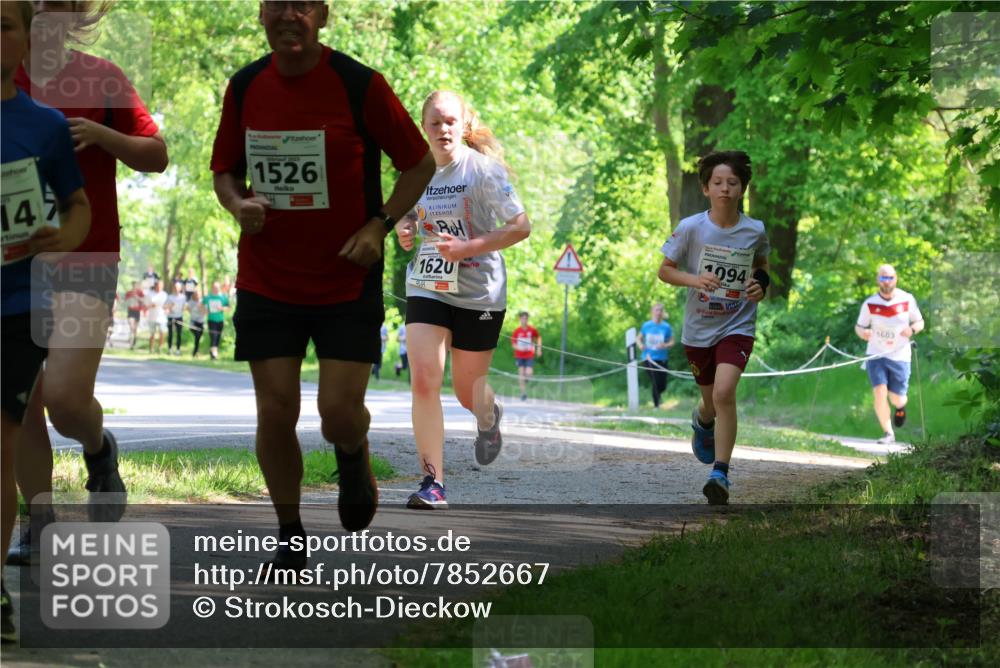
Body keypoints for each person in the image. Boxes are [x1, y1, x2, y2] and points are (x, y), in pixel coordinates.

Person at [210, 0, 433, 568]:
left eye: (303, 5)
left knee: (337, 410)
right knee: (276, 409)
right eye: (278, 4)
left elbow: (418, 163)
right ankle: (289, 533)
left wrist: (379, 225)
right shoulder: (245, 86)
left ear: (323, 15)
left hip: (345, 275)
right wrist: (239, 204)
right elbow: (225, 171)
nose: (290, 14)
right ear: (261, 14)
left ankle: (352, 451)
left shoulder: (360, 84)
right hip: (267, 275)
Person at [8, 0, 168, 566]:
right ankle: (39, 518)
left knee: (65, 400)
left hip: (86, 258)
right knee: (22, 402)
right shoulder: (7, 76)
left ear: (77, 14)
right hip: (15, 263)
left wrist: (103, 134)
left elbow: (157, 156)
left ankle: (98, 449)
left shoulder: (101, 76)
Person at [1, 0, 91, 639]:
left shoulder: (46, 126)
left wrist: (59, 237)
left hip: (14, 309)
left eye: (2, 24)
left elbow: (78, 207)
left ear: (26, 41)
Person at [395, 90, 531, 509]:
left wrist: (468, 247)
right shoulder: (415, 172)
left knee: (466, 392)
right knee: (423, 378)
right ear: (424, 128)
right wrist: (404, 228)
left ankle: (489, 419)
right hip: (428, 285)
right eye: (434, 122)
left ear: (464, 123)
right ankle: (432, 482)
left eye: (450, 121)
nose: (443, 129)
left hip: (479, 292)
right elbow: (408, 216)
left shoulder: (484, 172)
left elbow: (521, 226)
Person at [657, 151, 769, 505]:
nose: (725, 189)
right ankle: (702, 420)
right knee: (710, 401)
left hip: (738, 324)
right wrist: (695, 280)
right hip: (699, 328)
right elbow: (665, 270)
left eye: (732, 183)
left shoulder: (755, 230)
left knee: (724, 393)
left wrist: (760, 285)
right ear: (706, 188)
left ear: (741, 189)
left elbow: (762, 266)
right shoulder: (691, 227)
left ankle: (720, 473)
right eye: (718, 183)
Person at [854, 264, 924, 444]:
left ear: (896, 279)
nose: (887, 281)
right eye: (883, 278)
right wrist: (864, 333)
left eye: (890, 278)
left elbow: (920, 322)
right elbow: (859, 326)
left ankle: (901, 407)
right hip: (876, 354)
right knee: (879, 391)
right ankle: (888, 433)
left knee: (897, 398)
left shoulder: (906, 299)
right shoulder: (870, 303)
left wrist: (912, 329)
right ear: (878, 280)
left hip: (900, 355)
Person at [637, 303, 674, 408]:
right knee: (656, 381)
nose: (658, 312)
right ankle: (656, 405)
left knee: (662, 385)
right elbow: (638, 338)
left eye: (660, 310)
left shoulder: (666, 327)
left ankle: (658, 397)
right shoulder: (646, 325)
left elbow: (672, 342)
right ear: (652, 312)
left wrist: (665, 345)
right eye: (656, 310)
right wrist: (640, 345)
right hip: (648, 358)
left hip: (662, 358)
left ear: (662, 313)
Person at [510, 310, 541, 401]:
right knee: (521, 373)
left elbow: (538, 337)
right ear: (520, 319)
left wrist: (538, 349)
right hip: (519, 355)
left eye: (526, 318)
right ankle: (523, 393)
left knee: (528, 373)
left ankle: (527, 379)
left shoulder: (532, 330)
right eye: (523, 318)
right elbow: (513, 344)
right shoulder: (516, 331)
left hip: (529, 355)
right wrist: (519, 348)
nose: (524, 320)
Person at [202, 281, 229, 360]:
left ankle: (212, 353)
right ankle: (214, 354)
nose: (215, 289)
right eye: (214, 287)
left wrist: (222, 308)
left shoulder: (223, 297)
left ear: (219, 288)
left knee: (218, 337)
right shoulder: (208, 297)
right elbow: (201, 306)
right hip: (211, 319)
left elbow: (228, 307)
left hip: (220, 320)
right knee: (214, 336)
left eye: (217, 287)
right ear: (212, 288)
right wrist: (205, 311)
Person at [145, 279, 167, 354]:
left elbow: (166, 305)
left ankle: (160, 349)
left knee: (162, 332)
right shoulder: (149, 294)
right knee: (152, 334)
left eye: (161, 286)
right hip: (152, 317)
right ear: (155, 286)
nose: (159, 287)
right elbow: (146, 305)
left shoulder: (164, 294)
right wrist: (151, 305)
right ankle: (151, 349)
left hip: (162, 317)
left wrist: (167, 309)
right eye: (158, 286)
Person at [165, 280, 187, 355]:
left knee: (179, 334)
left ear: (180, 288)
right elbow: (165, 306)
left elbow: (185, 307)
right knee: (170, 333)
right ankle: (170, 349)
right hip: (171, 317)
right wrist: (170, 306)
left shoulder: (183, 297)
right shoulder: (170, 297)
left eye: (178, 287)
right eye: (175, 287)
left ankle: (178, 349)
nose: (176, 289)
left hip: (179, 317)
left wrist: (184, 308)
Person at [187, 287, 208, 357]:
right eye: (195, 294)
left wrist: (201, 307)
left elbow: (205, 312)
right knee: (197, 335)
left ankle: (196, 352)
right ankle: (195, 352)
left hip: (201, 322)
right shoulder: (191, 302)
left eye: (198, 294)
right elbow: (188, 309)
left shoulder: (203, 301)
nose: (197, 296)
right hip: (193, 322)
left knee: (198, 337)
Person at [123, 280, 144, 348]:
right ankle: (131, 343)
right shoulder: (129, 293)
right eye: (134, 285)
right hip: (130, 311)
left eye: (136, 285)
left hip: (137, 312)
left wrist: (137, 297)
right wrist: (130, 297)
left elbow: (143, 300)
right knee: (132, 327)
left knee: (135, 328)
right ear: (132, 286)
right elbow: (125, 301)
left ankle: (134, 340)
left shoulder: (140, 293)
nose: (135, 287)